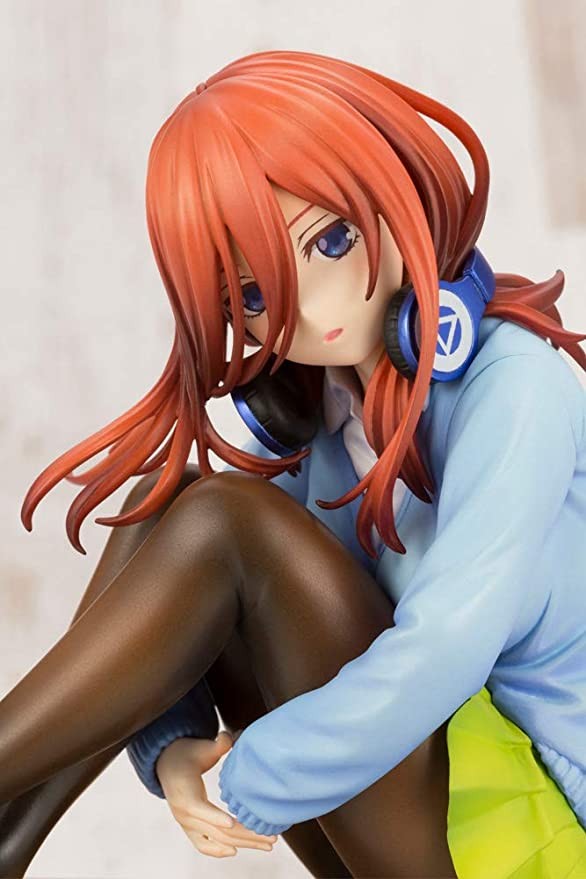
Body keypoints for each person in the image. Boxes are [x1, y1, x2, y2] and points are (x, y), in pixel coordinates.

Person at [1, 50, 585, 878]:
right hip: (426, 795)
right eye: (255, 295)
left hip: (538, 822)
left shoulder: (515, 386)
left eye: (332, 239)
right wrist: (173, 744)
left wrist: (251, 776)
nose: (311, 307)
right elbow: (186, 583)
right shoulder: (334, 412)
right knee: (176, 499)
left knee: (226, 520)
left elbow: (447, 646)